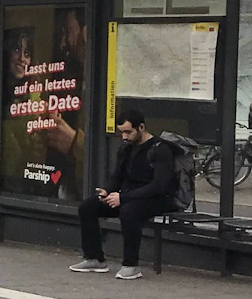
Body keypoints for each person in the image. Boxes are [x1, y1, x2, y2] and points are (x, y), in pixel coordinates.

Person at [72, 106, 177, 280]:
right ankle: (94, 258)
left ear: (141, 128)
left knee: (129, 212)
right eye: (121, 132)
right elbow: (117, 176)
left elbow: (159, 185)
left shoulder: (160, 149)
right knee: (88, 207)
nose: (124, 137)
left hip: (157, 199)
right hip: (128, 196)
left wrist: (123, 197)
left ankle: (131, 265)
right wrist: (108, 191)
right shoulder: (126, 148)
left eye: (128, 132)